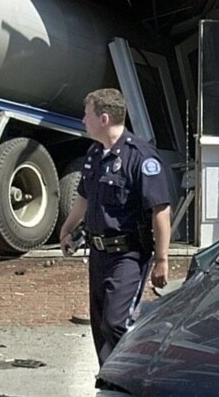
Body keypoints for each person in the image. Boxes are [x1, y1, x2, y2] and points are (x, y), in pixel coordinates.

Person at [58, 88, 172, 365]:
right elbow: (84, 197)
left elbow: (161, 209)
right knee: (100, 329)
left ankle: (145, 374)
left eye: (87, 115)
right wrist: (67, 228)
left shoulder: (140, 156)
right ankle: (110, 393)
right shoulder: (95, 154)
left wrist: (162, 259)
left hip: (128, 256)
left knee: (116, 323)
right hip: (98, 254)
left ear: (104, 118)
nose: (83, 120)